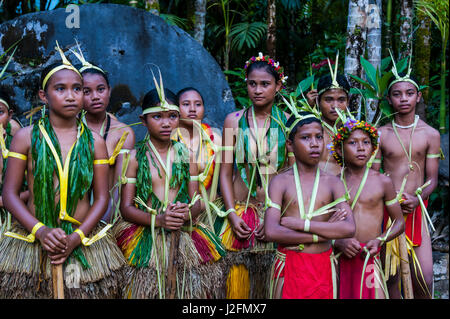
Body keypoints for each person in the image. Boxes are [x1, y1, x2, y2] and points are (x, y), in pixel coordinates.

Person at [0, 42, 127, 298]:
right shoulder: (25, 137)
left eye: (77, 89)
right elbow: (11, 194)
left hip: (82, 239)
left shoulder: (95, 142)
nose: (71, 96)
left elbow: (101, 198)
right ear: (43, 96)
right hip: (34, 237)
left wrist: (76, 238)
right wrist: (41, 230)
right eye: (61, 89)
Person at [116, 75, 225, 299]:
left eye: (172, 116)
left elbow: (197, 201)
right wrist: (159, 220)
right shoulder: (135, 158)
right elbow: (126, 208)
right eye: (157, 117)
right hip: (146, 235)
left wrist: (187, 213)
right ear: (144, 120)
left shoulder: (187, 156)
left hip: (183, 233)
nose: (166, 123)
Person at [218, 52, 292, 299]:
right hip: (240, 213)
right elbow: (225, 172)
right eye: (252, 83)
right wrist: (230, 213)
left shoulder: (289, 122)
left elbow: (293, 177)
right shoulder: (233, 121)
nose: (258, 90)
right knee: (237, 288)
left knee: (270, 287)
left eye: (265, 84)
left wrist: (276, 217)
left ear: (278, 85)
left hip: (275, 216)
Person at [264, 110, 355, 299]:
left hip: (323, 266)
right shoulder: (280, 182)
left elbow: (348, 228)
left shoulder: (333, 183)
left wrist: (303, 225)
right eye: (306, 138)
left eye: (319, 137)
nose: (314, 144)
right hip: (289, 265)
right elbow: (271, 231)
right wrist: (323, 232)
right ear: (290, 144)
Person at [372, 55, 441, 299]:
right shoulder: (380, 134)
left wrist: (417, 197)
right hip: (388, 211)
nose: (404, 99)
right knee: (391, 275)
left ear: (418, 96)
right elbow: (374, 174)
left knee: (424, 277)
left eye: (409, 93)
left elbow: (432, 178)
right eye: (397, 94)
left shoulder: (430, 134)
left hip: (416, 209)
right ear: (389, 99)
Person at [330, 112, 405, 299]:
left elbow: (399, 222)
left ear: (373, 148)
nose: (361, 148)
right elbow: (321, 224)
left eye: (366, 142)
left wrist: (380, 240)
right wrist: (337, 242)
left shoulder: (382, 182)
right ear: (339, 149)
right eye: (353, 143)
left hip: (368, 257)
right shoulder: (331, 183)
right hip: (338, 258)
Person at [71, 45, 135, 224]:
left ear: (109, 90)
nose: (95, 96)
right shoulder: (68, 128)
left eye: (100, 89)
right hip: (70, 214)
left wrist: (102, 226)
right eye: (86, 91)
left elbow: (117, 187)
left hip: (107, 215)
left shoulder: (122, 133)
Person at [173, 87, 223, 229]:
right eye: (186, 104)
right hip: (176, 213)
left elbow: (227, 178)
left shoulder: (215, 140)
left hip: (210, 213)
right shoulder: (169, 138)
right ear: (176, 109)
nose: (193, 109)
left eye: (198, 104)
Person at [306, 54, 351, 176]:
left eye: (341, 100)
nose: (335, 106)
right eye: (328, 99)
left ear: (348, 102)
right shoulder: (308, 131)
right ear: (318, 101)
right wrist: (308, 109)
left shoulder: (355, 131)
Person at [0, 89, 29, 235]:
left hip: (15, 223)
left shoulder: (18, 147)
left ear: (10, 115)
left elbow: (33, 190)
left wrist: (6, 201)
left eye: (0, 113)